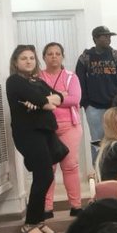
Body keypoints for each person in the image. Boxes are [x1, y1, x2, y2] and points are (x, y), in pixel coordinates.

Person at [7, 45, 64, 233]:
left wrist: (43, 101)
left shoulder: (37, 81)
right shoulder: (14, 81)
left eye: (31, 58)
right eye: (24, 58)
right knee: (44, 176)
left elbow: (60, 97)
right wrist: (44, 102)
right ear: (16, 62)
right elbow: (44, 101)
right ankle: (30, 224)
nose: (29, 61)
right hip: (29, 134)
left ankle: (38, 221)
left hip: (45, 133)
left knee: (47, 177)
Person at [39, 42, 83, 218]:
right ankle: (47, 208)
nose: (54, 56)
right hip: (46, 128)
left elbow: (75, 99)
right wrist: (61, 94)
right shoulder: (38, 77)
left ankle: (76, 206)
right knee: (47, 168)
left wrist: (50, 98)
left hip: (70, 127)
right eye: (50, 54)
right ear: (44, 57)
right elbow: (37, 99)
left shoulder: (71, 76)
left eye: (57, 53)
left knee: (70, 166)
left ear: (62, 56)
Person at [76, 26, 117, 161]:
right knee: (97, 141)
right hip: (93, 107)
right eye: (104, 36)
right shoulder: (85, 58)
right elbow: (80, 82)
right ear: (95, 38)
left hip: (114, 106)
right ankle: (98, 169)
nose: (108, 38)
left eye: (109, 36)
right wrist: (86, 103)